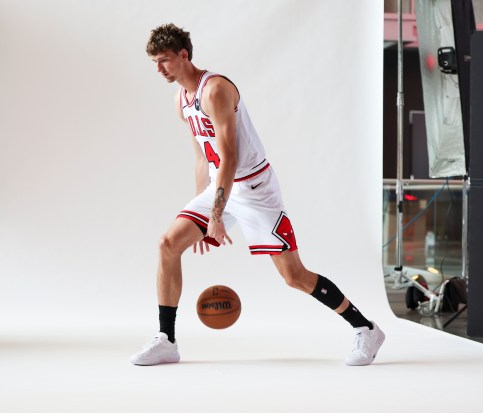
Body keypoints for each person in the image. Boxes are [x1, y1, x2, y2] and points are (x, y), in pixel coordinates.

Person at [131, 23, 385, 367]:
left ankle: (366, 328)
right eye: (155, 63)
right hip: (218, 186)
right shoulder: (181, 100)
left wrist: (217, 217)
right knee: (167, 244)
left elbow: (230, 156)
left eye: (164, 60)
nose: (159, 69)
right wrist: (202, 212)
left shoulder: (215, 90)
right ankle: (166, 339)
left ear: (184, 55)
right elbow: (201, 157)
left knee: (294, 275)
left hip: (254, 189)